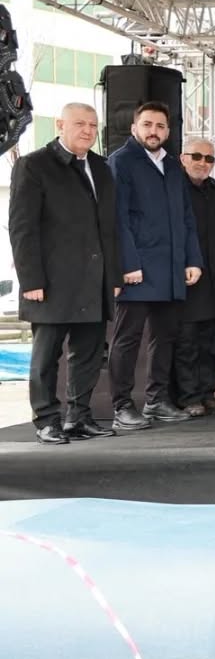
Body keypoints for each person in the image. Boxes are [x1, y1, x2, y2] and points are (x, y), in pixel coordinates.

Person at [9, 103, 121, 444]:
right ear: (60, 124)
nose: (87, 130)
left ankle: (79, 417)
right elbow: (23, 228)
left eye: (93, 125)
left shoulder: (102, 167)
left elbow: (110, 229)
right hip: (52, 282)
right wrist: (31, 280)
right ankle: (46, 420)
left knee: (88, 354)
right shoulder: (34, 165)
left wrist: (113, 277)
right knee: (46, 357)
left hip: (94, 280)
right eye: (79, 123)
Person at [108, 101, 203, 429]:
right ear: (134, 128)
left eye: (160, 126)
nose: (154, 131)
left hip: (171, 268)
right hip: (137, 269)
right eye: (147, 124)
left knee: (164, 338)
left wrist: (192, 259)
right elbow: (117, 219)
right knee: (127, 339)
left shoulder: (173, 165)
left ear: (168, 131)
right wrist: (127, 263)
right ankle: (122, 406)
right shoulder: (121, 161)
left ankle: (157, 401)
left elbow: (187, 217)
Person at [174, 138, 215, 416]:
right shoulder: (173, 189)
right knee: (187, 341)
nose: (202, 163)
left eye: (209, 158)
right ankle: (189, 397)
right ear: (183, 158)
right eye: (196, 156)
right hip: (187, 277)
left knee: (211, 340)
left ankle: (208, 393)